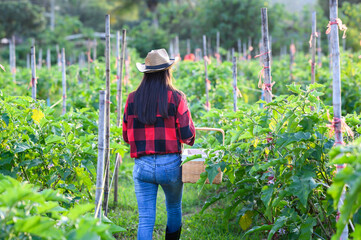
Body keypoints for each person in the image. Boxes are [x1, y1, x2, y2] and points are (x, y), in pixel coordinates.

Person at [122, 49, 196, 240]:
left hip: (143, 165)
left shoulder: (132, 99)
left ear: (145, 73)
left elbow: (126, 136)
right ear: (167, 71)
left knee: (145, 218)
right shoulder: (177, 97)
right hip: (170, 165)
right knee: (173, 208)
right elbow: (187, 135)